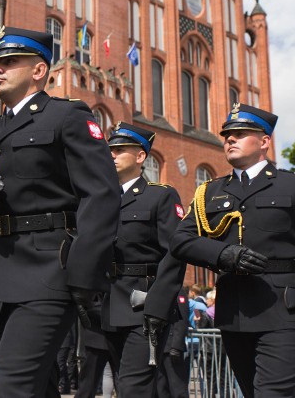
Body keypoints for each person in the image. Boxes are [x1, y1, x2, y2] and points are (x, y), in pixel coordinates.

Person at [0, 26, 121, 397]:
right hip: (2, 277)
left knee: (10, 387)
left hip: (50, 272)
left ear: (38, 70)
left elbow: (102, 195)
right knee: (38, 387)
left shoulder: (67, 116)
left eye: (9, 62)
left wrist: (81, 273)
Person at [170, 103, 295, 397]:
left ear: (264, 142)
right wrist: (222, 254)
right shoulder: (210, 191)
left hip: (283, 311)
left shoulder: (289, 184)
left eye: (240, 133)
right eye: (227, 134)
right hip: (234, 314)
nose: (230, 139)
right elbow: (181, 240)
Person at [101, 122, 186, 397]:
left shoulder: (160, 196)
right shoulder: (101, 199)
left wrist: (158, 307)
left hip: (143, 306)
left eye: (120, 150)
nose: (111, 155)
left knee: (133, 388)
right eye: (109, 150)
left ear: (140, 156)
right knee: (120, 382)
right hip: (108, 305)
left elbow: (174, 255)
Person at [155, 289, 190, 398]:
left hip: (171, 347)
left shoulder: (177, 291)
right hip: (158, 347)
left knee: (177, 389)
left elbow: (182, 319)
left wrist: (176, 345)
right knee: (161, 389)